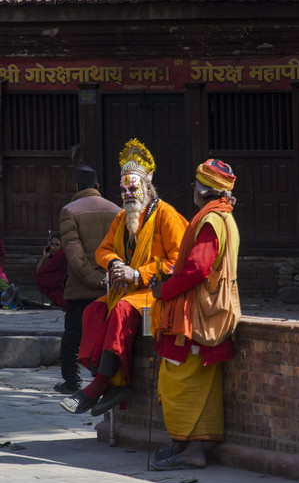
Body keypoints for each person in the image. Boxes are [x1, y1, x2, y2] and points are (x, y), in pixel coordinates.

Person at [59, 138, 188, 415]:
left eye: (133, 188)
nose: (128, 194)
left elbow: (178, 261)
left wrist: (138, 272)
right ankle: (106, 378)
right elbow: (103, 251)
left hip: (156, 290)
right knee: (94, 309)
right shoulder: (122, 218)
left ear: (147, 186)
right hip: (126, 288)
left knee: (120, 309)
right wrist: (115, 263)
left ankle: (100, 384)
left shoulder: (166, 216)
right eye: (123, 189)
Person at [149, 159, 240, 471]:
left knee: (179, 378)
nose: (193, 189)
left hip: (199, 313)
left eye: (195, 184)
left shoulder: (212, 221)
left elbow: (198, 268)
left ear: (203, 190)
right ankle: (185, 444)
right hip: (209, 309)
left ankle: (192, 449)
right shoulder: (223, 219)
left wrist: (166, 290)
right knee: (194, 379)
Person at [54, 162, 121, 395]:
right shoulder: (117, 210)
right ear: (98, 186)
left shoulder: (69, 210)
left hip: (82, 287)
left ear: (75, 186)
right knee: (106, 335)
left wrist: (94, 279)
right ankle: (104, 378)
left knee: (73, 336)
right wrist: (107, 279)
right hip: (111, 286)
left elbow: (75, 256)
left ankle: (72, 381)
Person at [34, 232, 68, 308]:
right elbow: (39, 273)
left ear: (62, 245)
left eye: (57, 244)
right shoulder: (54, 256)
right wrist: (44, 257)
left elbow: (40, 274)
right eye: (52, 244)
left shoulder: (61, 255)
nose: (53, 247)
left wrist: (43, 258)